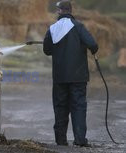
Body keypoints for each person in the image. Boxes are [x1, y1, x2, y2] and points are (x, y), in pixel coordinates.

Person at [43, 0, 98, 147]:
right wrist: (90, 49)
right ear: (70, 11)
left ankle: (61, 141)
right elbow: (93, 44)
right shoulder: (78, 27)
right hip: (78, 77)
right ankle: (80, 140)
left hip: (60, 77)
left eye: (58, 10)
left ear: (60, 11)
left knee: (60, 107)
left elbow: (47, 50)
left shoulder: (52, 28)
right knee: (78, 107)